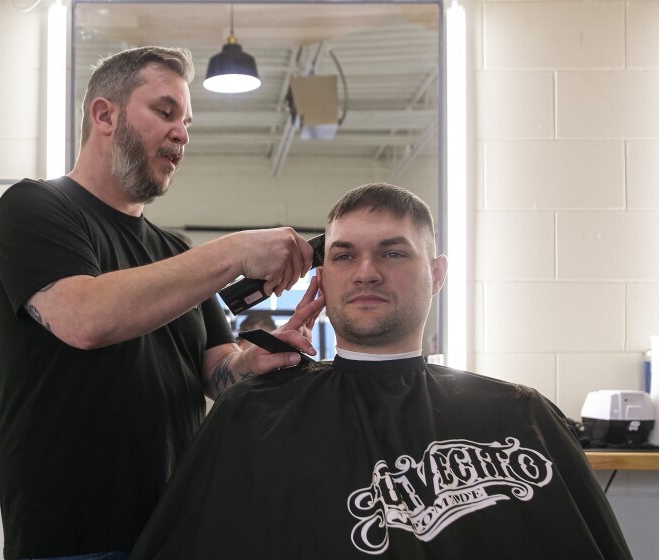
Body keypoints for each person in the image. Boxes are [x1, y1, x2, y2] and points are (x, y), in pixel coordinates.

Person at [129, 183, 633, 560]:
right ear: (322, 278)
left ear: (436, 275)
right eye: (345, 255)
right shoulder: (254, 412)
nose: (366, 270)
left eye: (392, 252)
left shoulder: (522, 416)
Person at [0, 46, 323, 560]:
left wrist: (253, 360)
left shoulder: (174, 252)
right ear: (105, 115)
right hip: (70, 539)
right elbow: (85, 318)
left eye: (186, 122)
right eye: (165, 112)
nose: (183, 133)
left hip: (174, 530)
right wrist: (235, 250)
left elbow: (216, 369)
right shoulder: (35, 208)